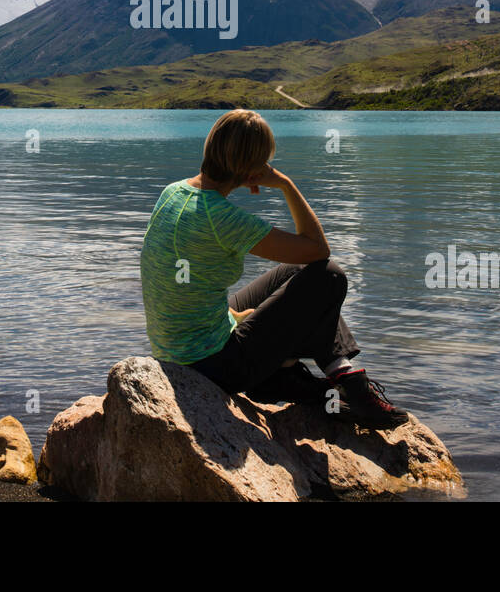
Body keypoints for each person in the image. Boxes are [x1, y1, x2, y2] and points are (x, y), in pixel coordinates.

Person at [139, 108, 407, 430]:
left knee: (290, 273)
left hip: (178, 349)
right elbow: (318, 250)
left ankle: (302, 377)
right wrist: (285, 184)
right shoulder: (223, 219)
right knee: (328, 276)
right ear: (253, 168)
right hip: (212, 364)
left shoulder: (173, 192)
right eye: (263, 161)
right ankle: (350, 388)